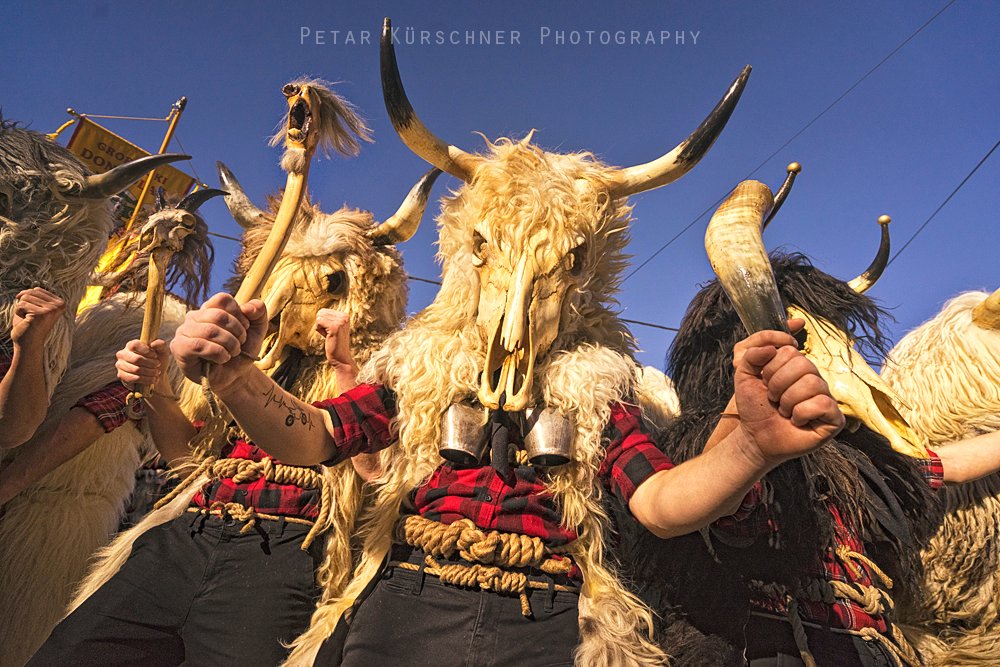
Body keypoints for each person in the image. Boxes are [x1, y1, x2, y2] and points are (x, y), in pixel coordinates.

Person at [129, 293, 846, 665]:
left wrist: (750, 447)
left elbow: (660, 503)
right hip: (404, 604)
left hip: (551, 620)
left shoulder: (600, 386)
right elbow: (316, 437)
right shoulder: (419, 365)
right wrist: (236, 377)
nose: (523, 282)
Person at [29, 305, 362, 666]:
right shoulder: (244, 355)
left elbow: (373, 468)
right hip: (190, 528)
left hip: (289, 547)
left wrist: (346, 370)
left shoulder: (373, 361)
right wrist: (155, 384)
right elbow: (188, 461)